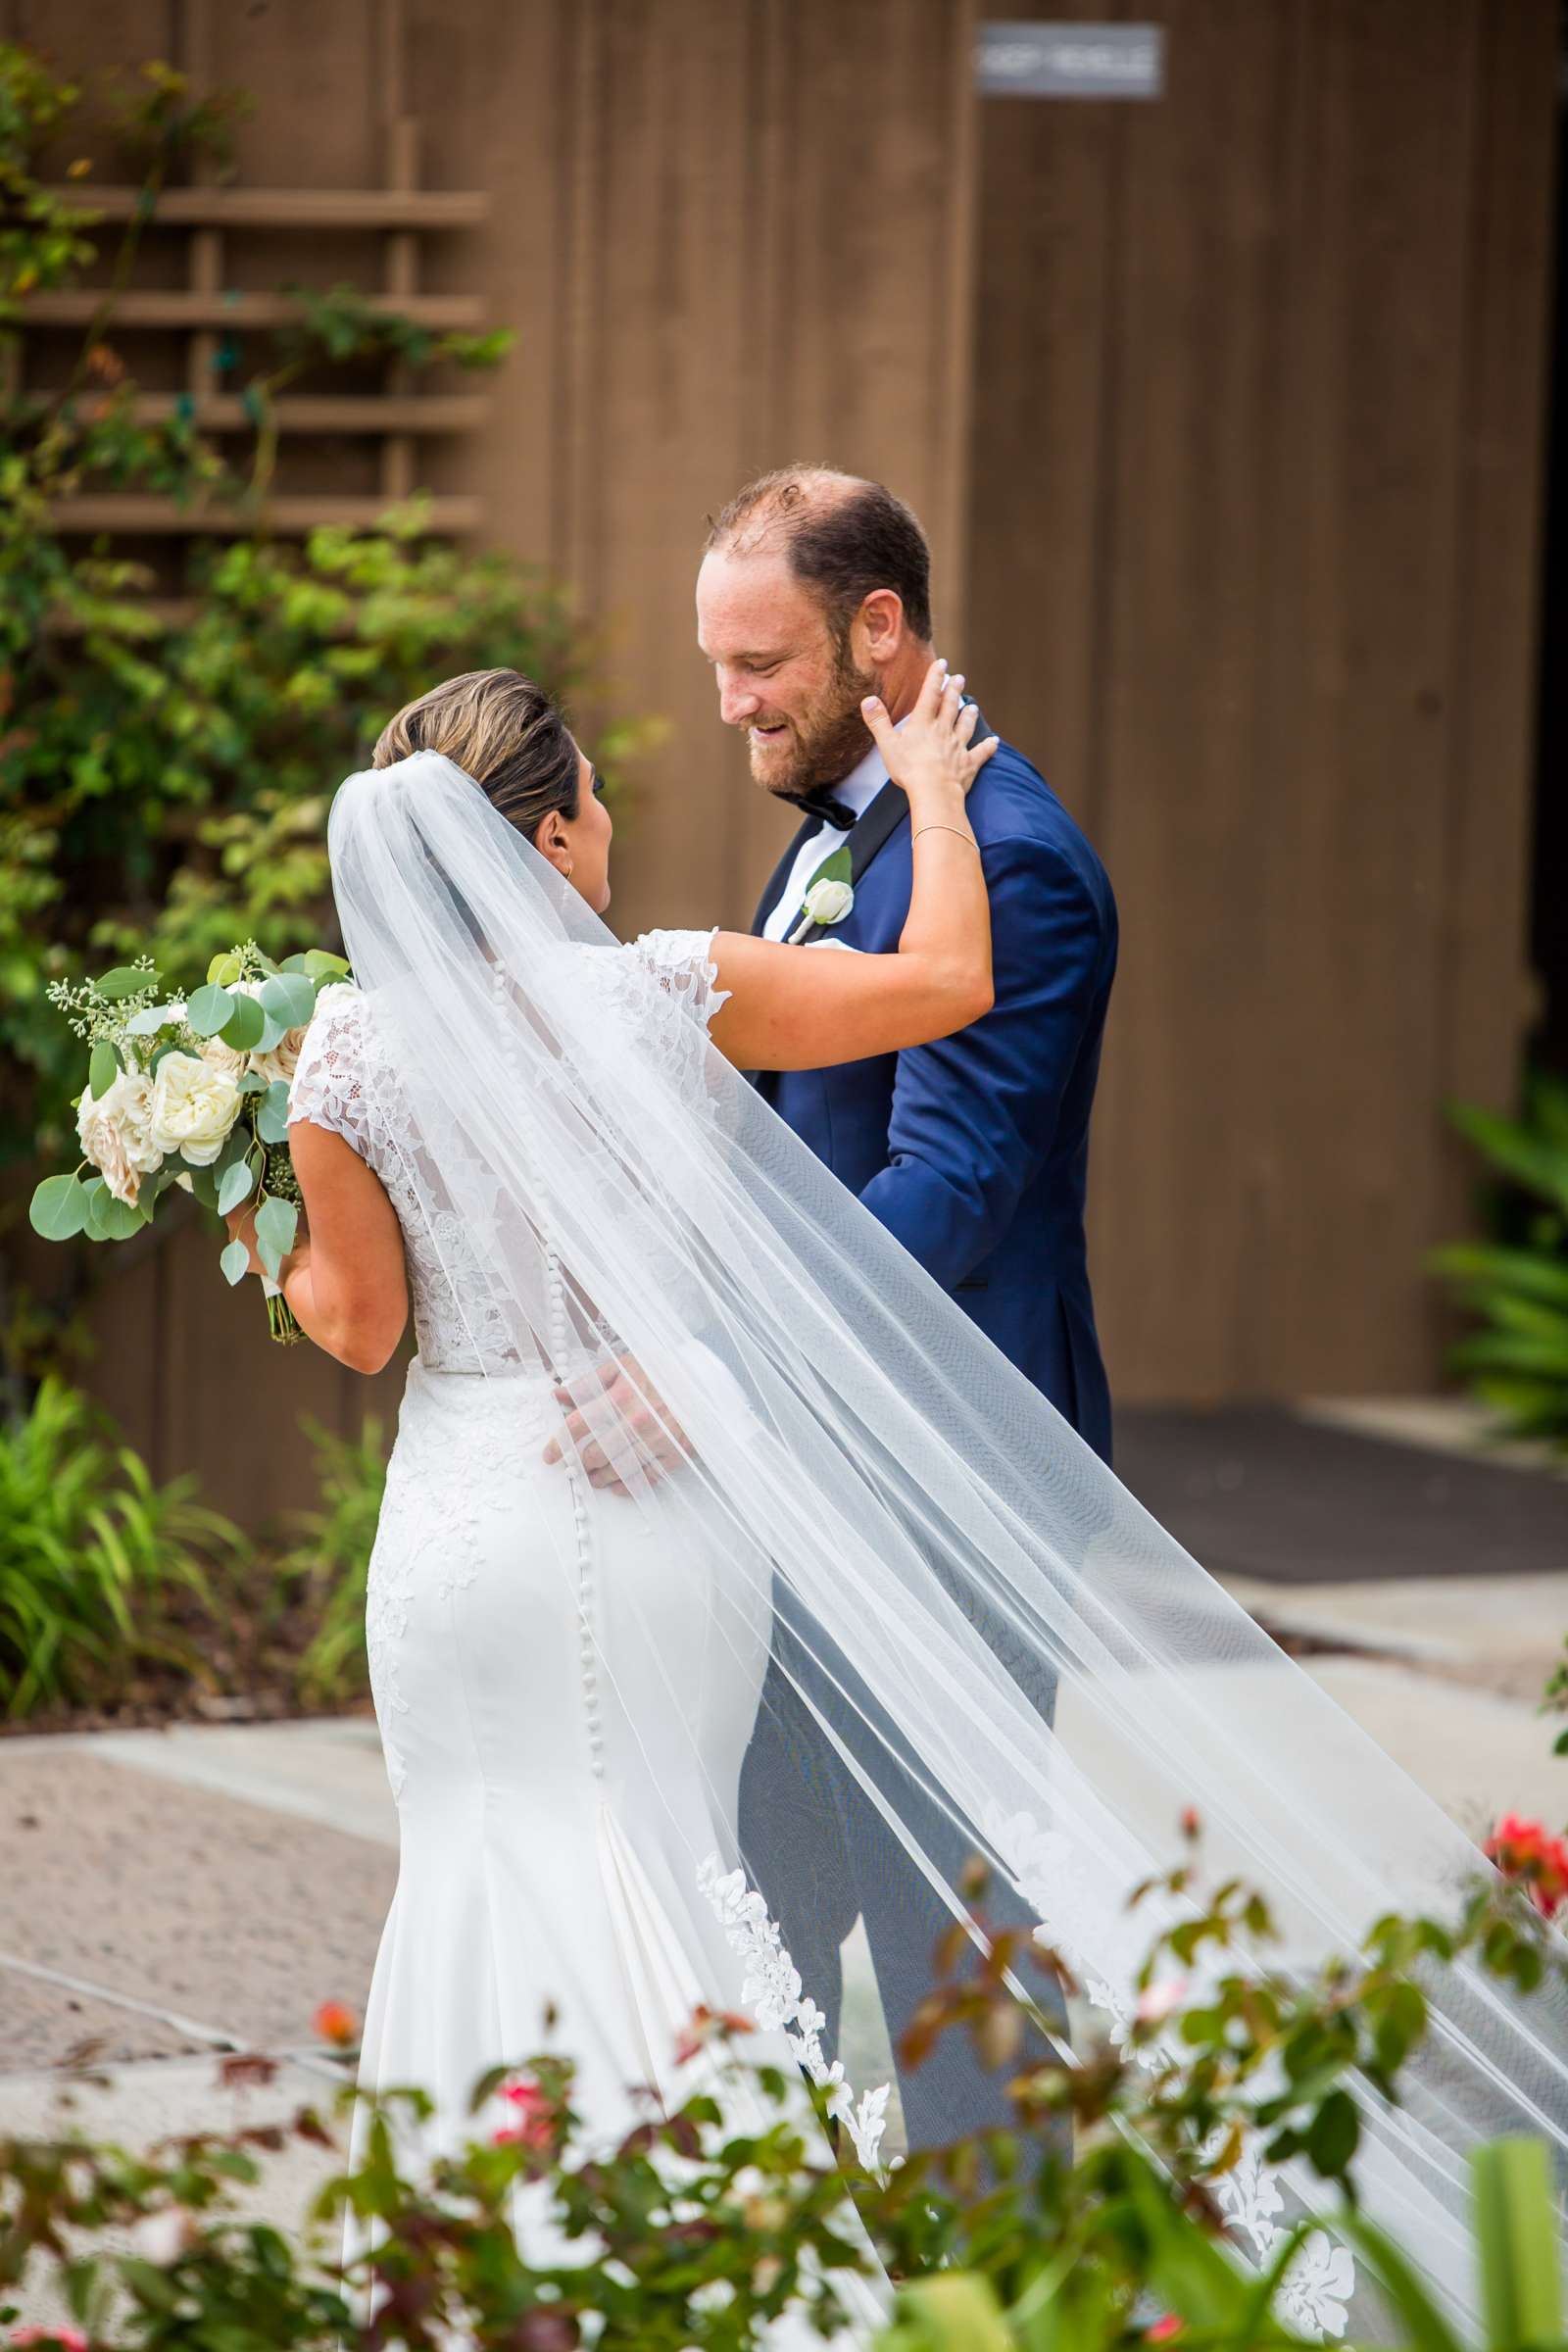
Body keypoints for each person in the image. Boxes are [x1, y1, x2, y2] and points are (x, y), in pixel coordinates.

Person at [239, 664, 1562, 2341]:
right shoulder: (660, 992)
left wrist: (254, 1181)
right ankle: (709, 2260)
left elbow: (355, 1329)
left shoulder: (346, 1048)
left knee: (478, 1864)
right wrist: (934, 787)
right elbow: (945, 980)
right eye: (598, 801)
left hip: (468, 1531)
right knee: (662, 1856)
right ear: (554, 834)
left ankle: (489, 2275)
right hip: (656, 1529)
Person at [696, 466, 1116, 2153]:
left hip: (946, 1472)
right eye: (717, 663)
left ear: (880, 629)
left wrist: (716, 1367)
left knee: (956, 1954)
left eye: (764, 665)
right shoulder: (843, 829)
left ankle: (1019, 2287)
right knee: (770, 1903)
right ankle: (777, 2265)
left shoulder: (1009, 861)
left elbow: (943, 1193)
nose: (731, 703)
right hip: (812, 1457)